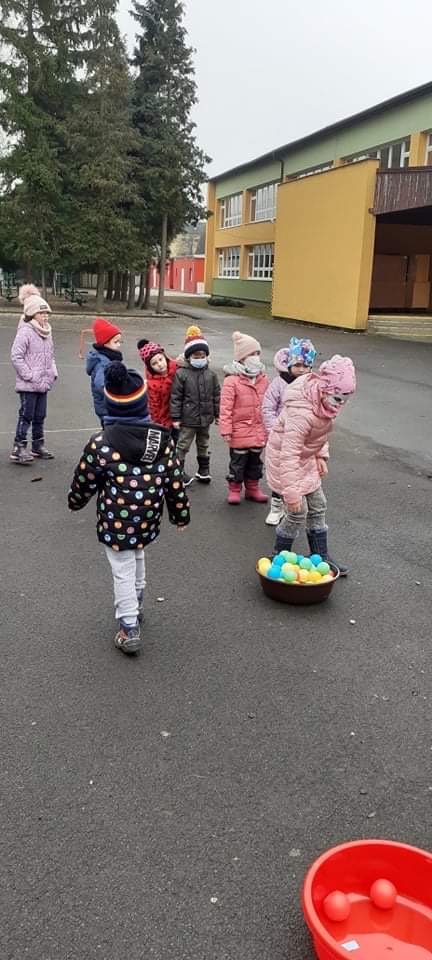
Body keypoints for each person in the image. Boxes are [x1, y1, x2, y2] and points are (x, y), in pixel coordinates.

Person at [68, 362, 190, 655]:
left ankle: (128, 626)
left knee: (122, 567)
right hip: (147, 517)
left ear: (111, 405)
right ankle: (137, 603)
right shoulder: (161, 439)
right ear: (142, 403)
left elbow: (85, 478)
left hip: (116, 521)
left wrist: (76, 501)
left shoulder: (102, 443)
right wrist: (180, 513)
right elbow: (174, 480)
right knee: (137, 554)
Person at [265, 355, 356, 575]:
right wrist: (291, 493)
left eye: (345, 400)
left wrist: (320, 456)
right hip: (284, 462)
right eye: (338, 398)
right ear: (324, 390)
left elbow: (319, 435)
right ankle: (280, 555)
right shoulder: (301, 414)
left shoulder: (324, 405)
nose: (340, 404)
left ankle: (320, 555)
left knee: (318, 505)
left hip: (306, 459)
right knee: (297, 511)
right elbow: (289, 454)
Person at [262, 336, 317, 525]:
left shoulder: (312, 386)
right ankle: (276, 507)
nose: (302, 369)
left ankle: (292, 506)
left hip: (302, 438)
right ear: (290, 364)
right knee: (280, 474)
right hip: (280, 438)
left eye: (306, 366)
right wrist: (273, 430)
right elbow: (268, 407)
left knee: (298, 473)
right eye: (298, 365)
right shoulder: (279, 383)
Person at [219, 330, 269, 505]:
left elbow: (269, 405)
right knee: (238, 462)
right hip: (239, 430)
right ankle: (234, 489)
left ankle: (253, 488)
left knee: (255, 462)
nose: (255, 357)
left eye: (257, 353)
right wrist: (226, 430)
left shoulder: (263, 378)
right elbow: (225, 407)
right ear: (241, 357)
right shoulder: (232, 380)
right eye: (251, 354)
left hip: (258, 429)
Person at [10, 284, 57, 464]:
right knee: (26, 415)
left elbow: (50, 355)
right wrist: (29, 375)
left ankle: (38, 445)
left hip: (43, 382)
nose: (45, 316)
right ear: (31, 313)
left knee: (40, 415)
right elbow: (16, 356)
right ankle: (19, 446)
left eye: (47, 313)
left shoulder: (47, 332)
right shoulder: (25, 332)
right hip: (29, 384)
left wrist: (52, 372)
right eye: (41, 313)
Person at [170, 326, 220, 486]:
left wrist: (218, 414)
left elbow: (216, 396)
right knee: (183, 445)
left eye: (202, 356)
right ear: (189, 357)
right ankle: (178, 472)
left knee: (203, 443)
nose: (200, 358)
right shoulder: (181, 374)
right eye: (196, 356)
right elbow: (176, 397)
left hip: (205, 418)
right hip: (188, 419)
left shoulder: (211, 374)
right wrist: (176, 417)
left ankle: (203, 470)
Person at [137, 338, 178, 441]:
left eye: (160, 359)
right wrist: (156, 424)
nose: (159, 364)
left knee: (180, 442)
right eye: (154, 363)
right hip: (164, 420)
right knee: (168, 443)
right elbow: (154, 406)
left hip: (179, 416)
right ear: (150, 367)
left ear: (165, 357)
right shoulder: (152, 384)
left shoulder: (176, 369)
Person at [86, 317, 123, 424]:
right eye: (115, 342)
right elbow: (100, 384)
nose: (119, 345)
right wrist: (116, 393)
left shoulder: (109, 358)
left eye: (120, 341)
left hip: (109, 408)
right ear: (105, 343)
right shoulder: (103, 363)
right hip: (107, 409)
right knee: (111, 431)